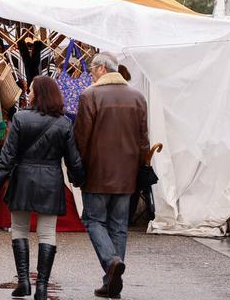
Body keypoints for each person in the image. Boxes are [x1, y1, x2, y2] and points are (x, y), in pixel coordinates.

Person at [0, 76, 85, 300]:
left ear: (38, 94)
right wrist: (79, 180)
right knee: (47, 233)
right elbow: (74, 160)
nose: (27, 93)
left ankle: (24, 282)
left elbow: (7, 157)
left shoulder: (20, 118)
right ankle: (41, 286)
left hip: (23, 179)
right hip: (51, 181)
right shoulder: (64, 123)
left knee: (19, 229)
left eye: (30, 90)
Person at [73, 54, 149, 300]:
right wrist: (139, 168)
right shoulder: (137, 97)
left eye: (92, 70)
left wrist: (78, 169)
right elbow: (143, 140)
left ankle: (111, 262)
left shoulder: (90, 95)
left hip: (97, 172)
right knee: (119, 227)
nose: (90, 74)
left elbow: (81, 139)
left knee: (94, 220)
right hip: (126, 174)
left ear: (102, 68)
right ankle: (111, 281)